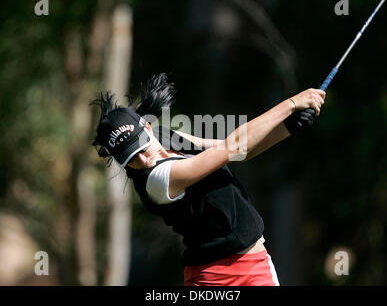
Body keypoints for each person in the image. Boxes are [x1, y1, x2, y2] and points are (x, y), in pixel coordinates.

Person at [91, 73, 325, 286]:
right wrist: (291, 103)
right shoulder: (157, 179)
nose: (142, 159)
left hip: (257, 267)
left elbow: (239, 152)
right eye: (130, 158)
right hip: (214, 279)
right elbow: (233, 146)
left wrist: (285, 127)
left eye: (140, 146)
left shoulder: (166, 135)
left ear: (148, 128)